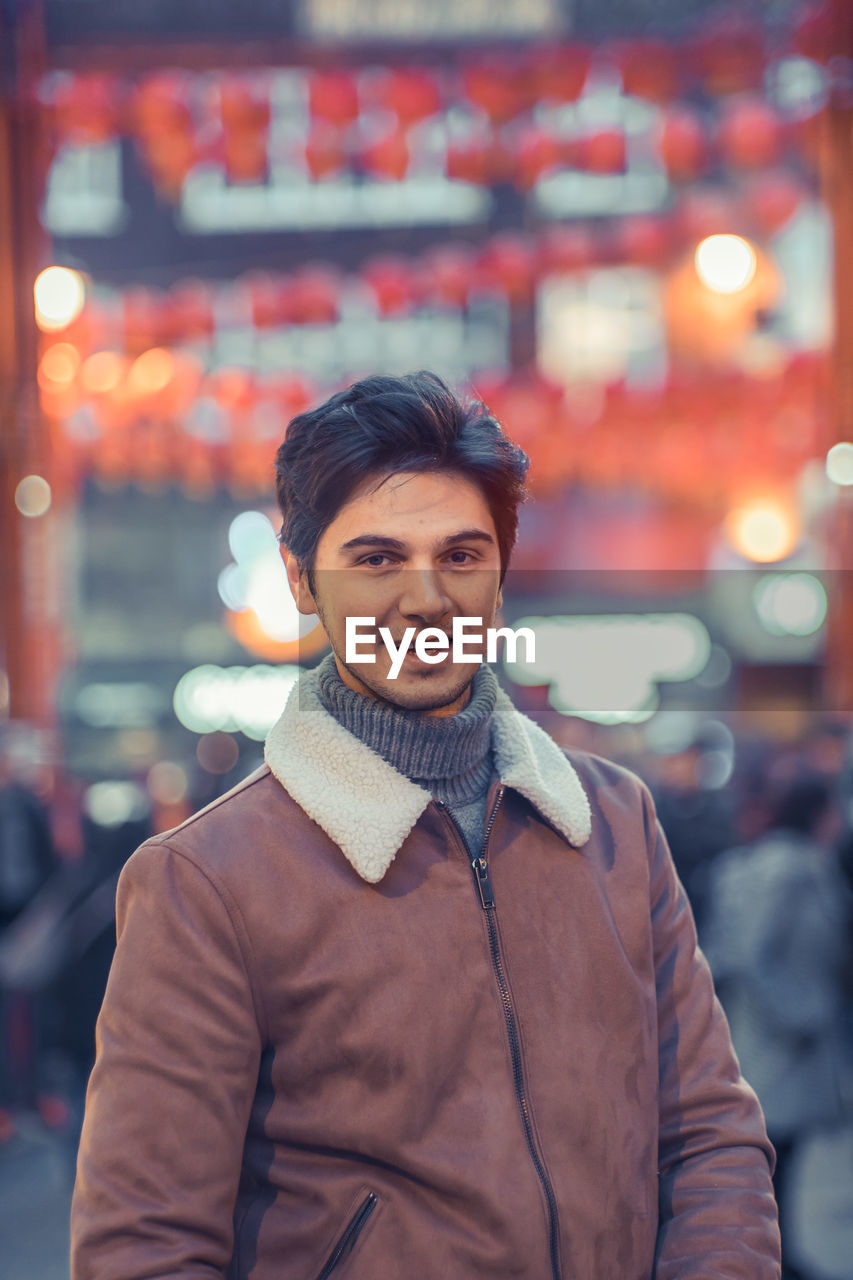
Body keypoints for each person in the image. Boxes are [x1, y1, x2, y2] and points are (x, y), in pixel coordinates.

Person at [70, 371, 780, 1279]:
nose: (424, 599)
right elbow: (146, 1245)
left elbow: (709, 1139)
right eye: (374, 559)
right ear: (299, 578)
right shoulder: (206, 878)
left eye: (460, 555)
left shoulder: (611, 820)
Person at [703, 769, 851, 1280]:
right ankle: (772, 1260)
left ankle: (777, 1255)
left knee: (774, 1156)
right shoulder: (792, 869)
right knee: (773, 1156)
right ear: (817, 813)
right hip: (782, 1045)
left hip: (769, 1040)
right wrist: (804, 1013)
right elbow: (752, 954)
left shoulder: (768, 863)